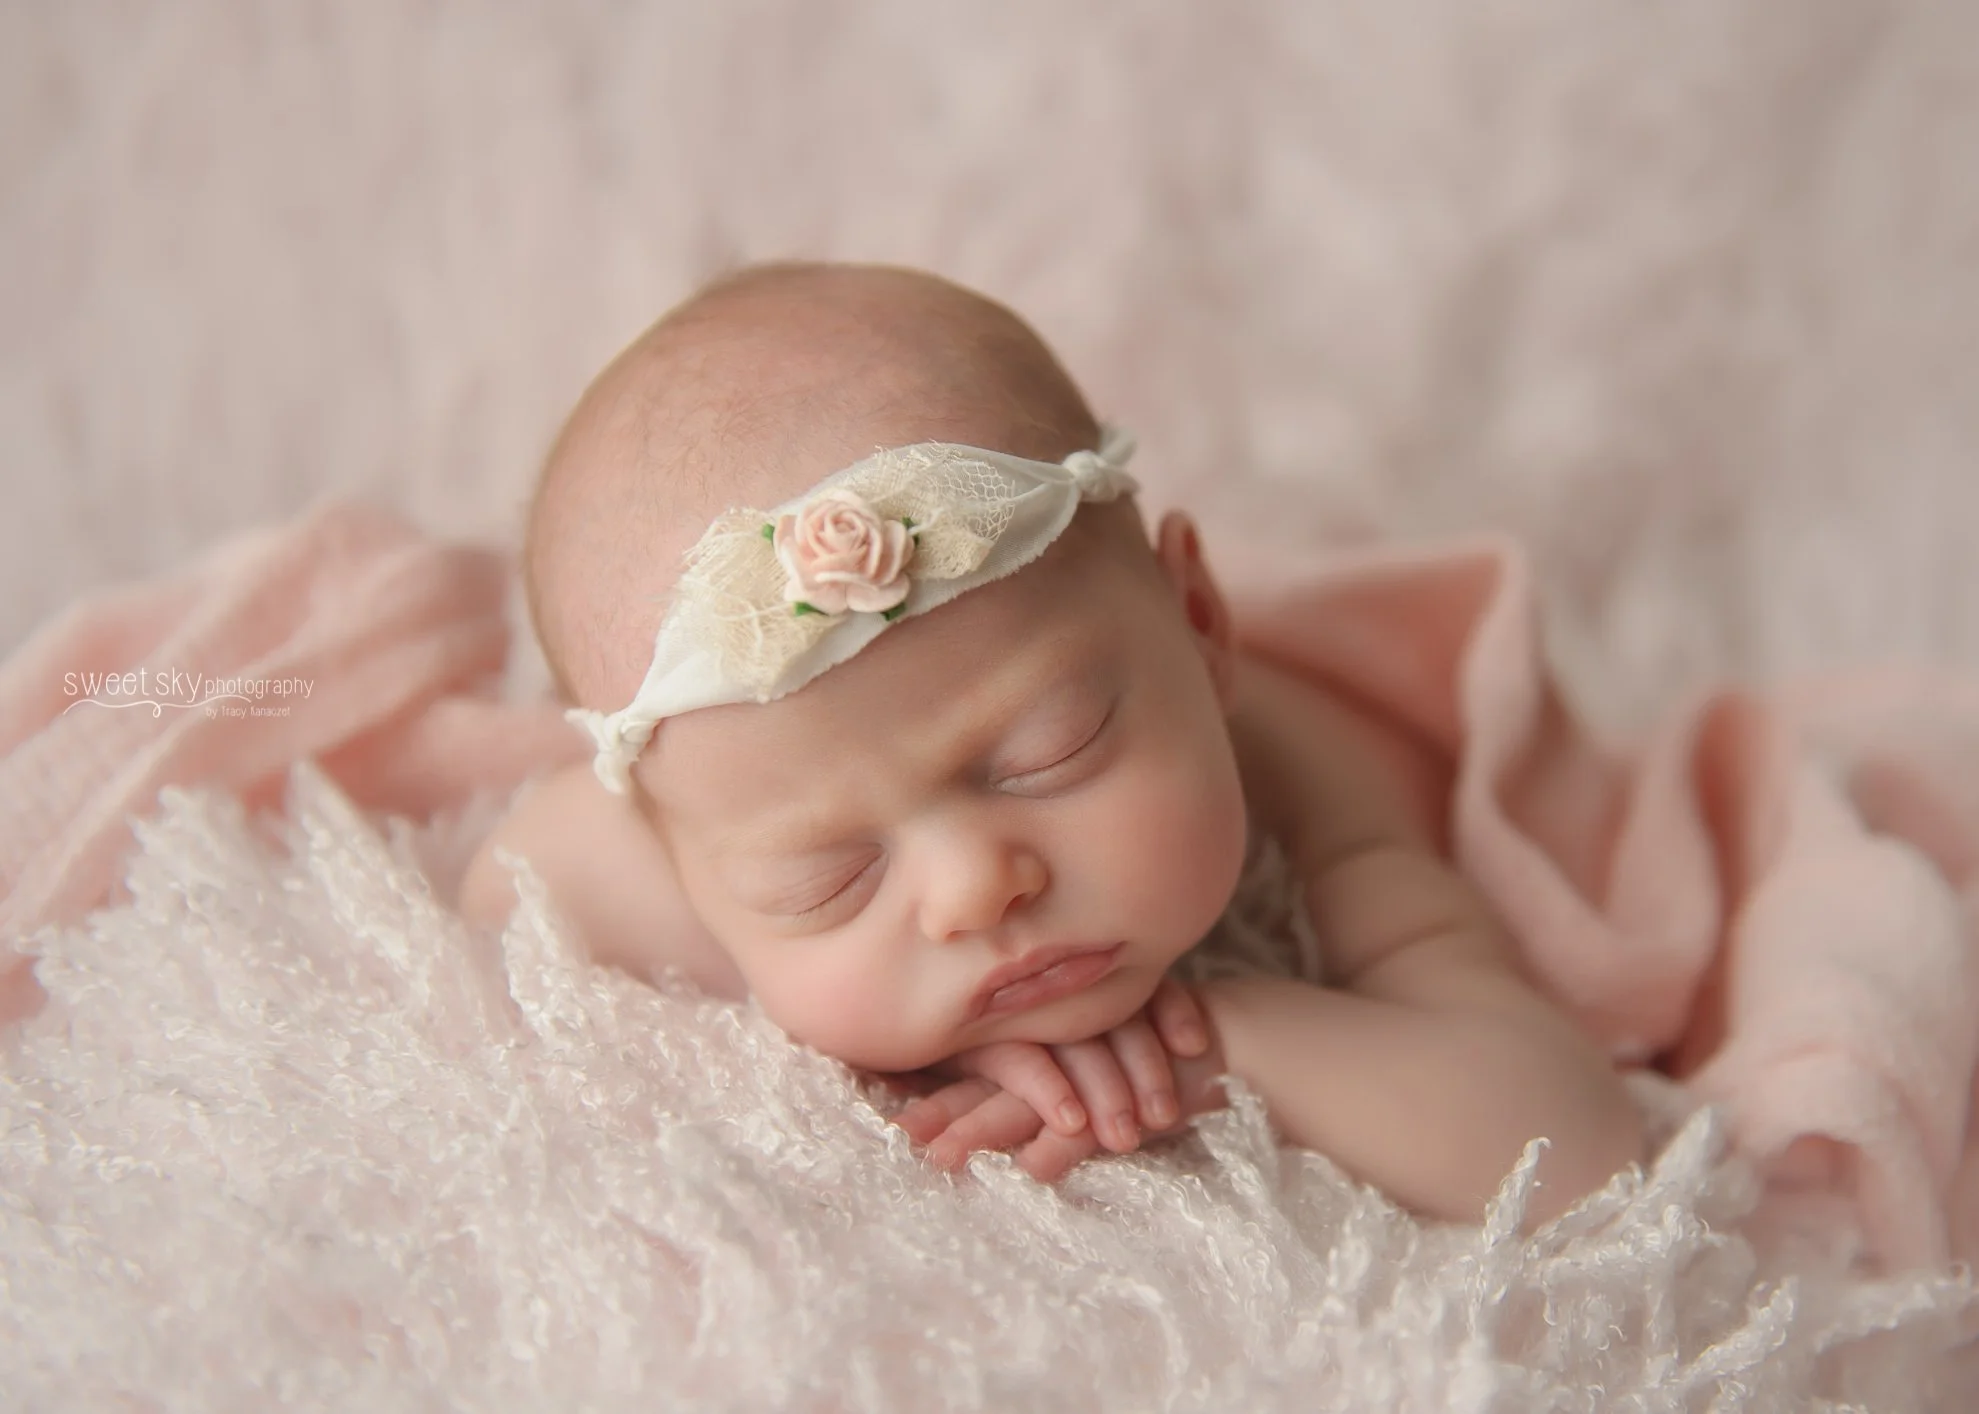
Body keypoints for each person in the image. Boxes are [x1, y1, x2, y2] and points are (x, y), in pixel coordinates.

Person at [459, 261, 1642, 1225]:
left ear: (1197, 623)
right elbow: (498, 911)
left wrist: (1213, 1045)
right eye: (828, 876)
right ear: (686, 858)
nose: (976, 888)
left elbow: (1575, 1145)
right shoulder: (667, 839)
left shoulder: (1300, 767)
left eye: (1048, 752)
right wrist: (887, 1066)